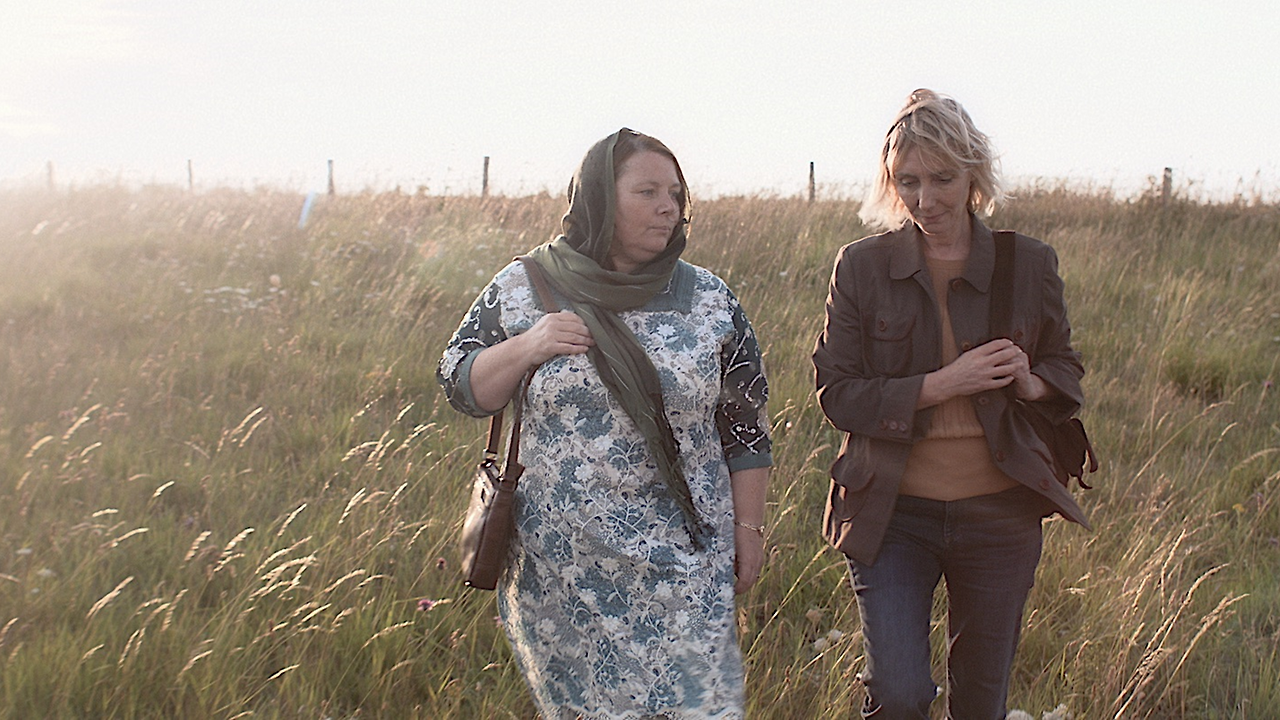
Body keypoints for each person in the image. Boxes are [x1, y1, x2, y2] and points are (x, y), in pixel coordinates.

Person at [438, 128, 772, 719]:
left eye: (675, 193)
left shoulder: (710, 300)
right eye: (647, 192)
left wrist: (748, 530)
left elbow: (745, 428)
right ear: (598, 199)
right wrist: (528, 346)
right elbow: (460, 385)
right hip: (562, 572)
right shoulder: (525, 287)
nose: (668, 207)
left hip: (687, 564)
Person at [812, 89, 1090, 719]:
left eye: (941, 179)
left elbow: (1065, 368)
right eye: (907, 181)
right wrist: (944, 383)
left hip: (1000, 514)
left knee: (981, 701)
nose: (924, 199)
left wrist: (1031, 382)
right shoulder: (861, 266)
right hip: (892, 513)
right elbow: (837, 392)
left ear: (973, 176)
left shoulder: (1027, 263)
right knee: (899, 694)